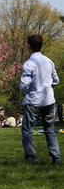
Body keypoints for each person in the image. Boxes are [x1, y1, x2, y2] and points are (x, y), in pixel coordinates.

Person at [19, 35, 61, 165]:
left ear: (29, 46)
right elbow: (56, 80)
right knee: (49, 130)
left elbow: (24, 84)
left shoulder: (29, 64)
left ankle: (32, 158)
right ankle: (56, 158)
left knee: (27, 130)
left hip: (33, 101)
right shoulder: (49, 61)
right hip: (48, 100)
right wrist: (47, 87)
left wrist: (24, 92)